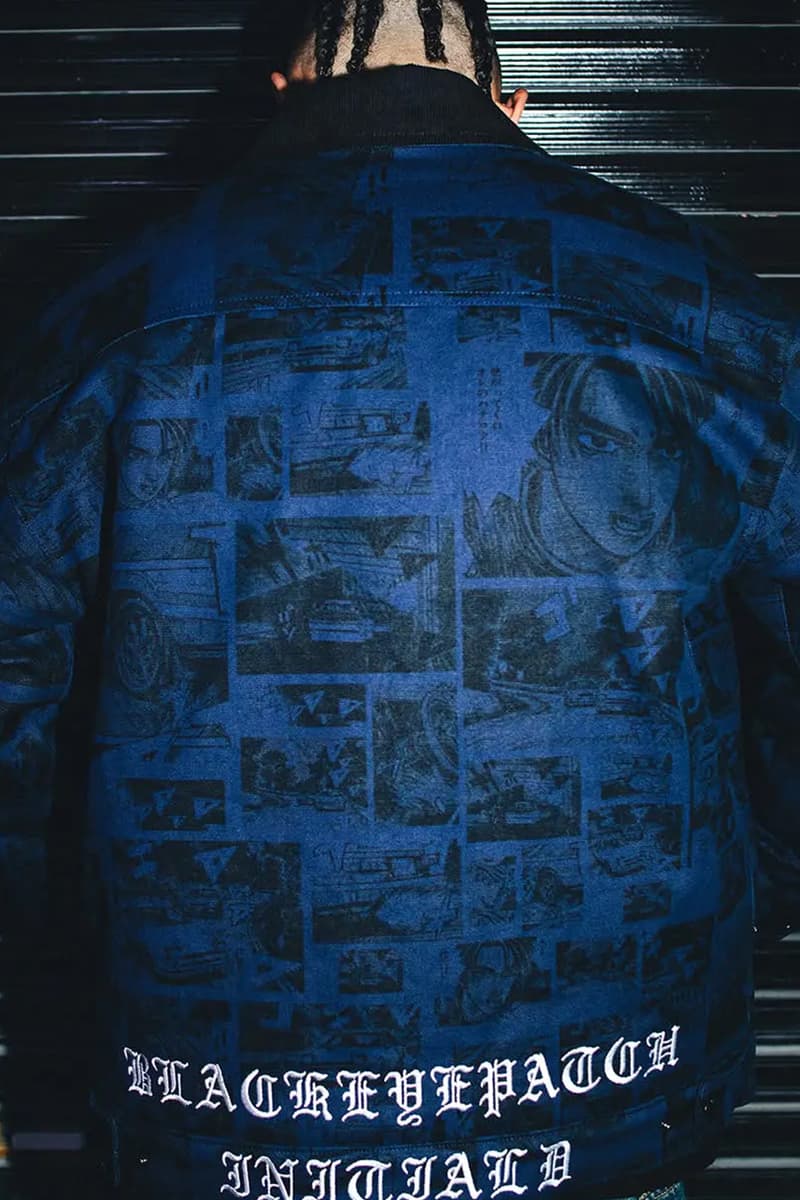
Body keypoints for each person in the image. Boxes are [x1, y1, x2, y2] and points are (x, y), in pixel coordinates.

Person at [0, 1, 798, 1198]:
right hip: (608, 1092)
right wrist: (748, 883)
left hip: (216, 1109)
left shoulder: (101, 313)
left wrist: (86, 943)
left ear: (280, 89)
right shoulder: (696, 302)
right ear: (508, 102)